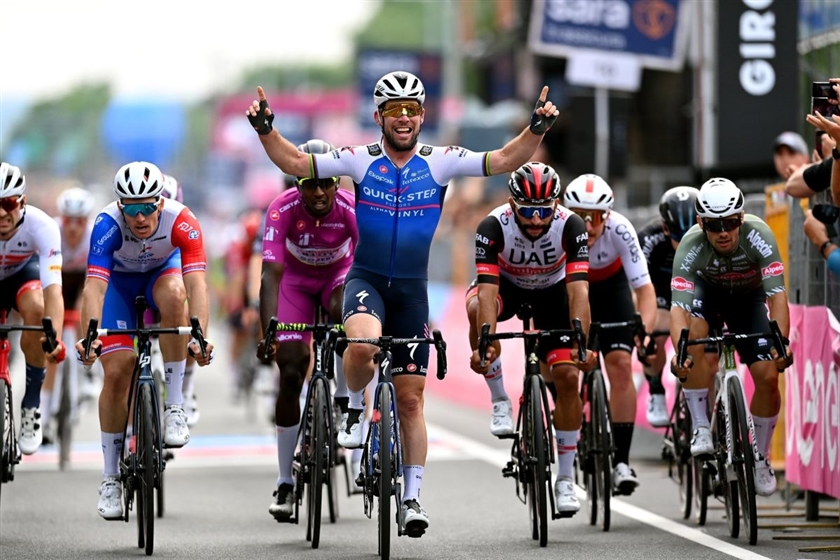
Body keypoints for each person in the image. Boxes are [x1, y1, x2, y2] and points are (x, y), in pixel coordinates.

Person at [246, 71, 560, 536]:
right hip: (367, 280)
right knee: (361, 346)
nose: (404, 118)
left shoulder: (442, 161)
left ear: (422, 115)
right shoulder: (356, 159)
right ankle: (353, 404)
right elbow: (294, 160)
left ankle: (411, 497)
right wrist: (265, 128)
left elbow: (504, 160)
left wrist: (536, 128)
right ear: (379, 117)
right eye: (395, 110)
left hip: (413, 290)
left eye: (412, 109)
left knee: (411, 402)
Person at [76, 161, 215, 519]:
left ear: (160, 201)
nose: (140, 217)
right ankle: (110, 478)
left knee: (174, 295)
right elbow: (94, 287)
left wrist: (200, 335)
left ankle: (175, 406)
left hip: (161, 277)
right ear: (120, 205)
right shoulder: (106, 225)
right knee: (118, 371)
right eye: (132, 208)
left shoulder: (182, 219)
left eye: (148, 207)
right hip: (119, 288)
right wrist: (89, 337)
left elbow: (197, 284)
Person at [466, 162, 596, 514]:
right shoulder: (493, 226)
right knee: (477, 307)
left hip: (553, 292)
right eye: (528, 211)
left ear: (555, 204)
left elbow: (580, 292)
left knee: (568, 377)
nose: (537, 220)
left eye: (544, 211)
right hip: (507, 287)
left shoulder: (572, 224)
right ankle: (500, 400)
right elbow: (489, 294)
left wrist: (580, 341)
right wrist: (486, 342)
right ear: (512, 205)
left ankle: (566, 478)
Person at [670, 177, 794, 497]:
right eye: (713, 225)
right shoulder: (690, 244)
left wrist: (782, 344)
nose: (723, 232)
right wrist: (679, 353)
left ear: (740, 218)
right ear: (701, 223)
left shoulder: (759, 235)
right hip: (706, 295)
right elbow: (678, 310)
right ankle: (700, 425)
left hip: (748, 300)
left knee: (768, 377)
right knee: (692, 337)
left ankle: (761, 456)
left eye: (729, 222)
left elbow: (777, 296)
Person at [255, 139, 359, 521]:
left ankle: (346, 398)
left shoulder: (351, 207)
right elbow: (270, 275)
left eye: (325, 183)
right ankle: (285, 481)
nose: (318, 192)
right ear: (295, 185)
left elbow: (367, 269)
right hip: (294, 285)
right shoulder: (281, 210)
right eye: (308, 184)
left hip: (339, 277)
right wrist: (268, 330)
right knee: (291, 371)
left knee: (347, 315)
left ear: (336, 183)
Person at [562, 173, 657, 495]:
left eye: (596, 218)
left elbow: (644, 290)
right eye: (580, 217)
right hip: (571, 294)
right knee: (566, 367)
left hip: (611, 291)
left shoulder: (620, 229)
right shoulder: (555, 228)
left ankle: (621, 461)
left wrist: (643, 330)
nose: (588, 226)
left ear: (608, 215)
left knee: (618, 364)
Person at [0, 162, 67, 455]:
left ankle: (31, 405)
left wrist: (55, 338)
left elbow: (53, 288)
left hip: (21, 276)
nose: (1, 212)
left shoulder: (42, 226)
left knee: (38, 310)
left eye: (8, 203)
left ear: (22, 202)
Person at [636, 186, 699, 427]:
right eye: (677, 238)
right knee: (656, 332)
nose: (684, 243)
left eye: (690, 235)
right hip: (660, 290)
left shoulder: (710, 235)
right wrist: (644, 329)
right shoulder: (649, 239)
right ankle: (656, 390)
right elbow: (640, 288)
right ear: (665, 229)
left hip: (695, 289)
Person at [41, 186, 97, 443]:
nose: (73, 228)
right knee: (52, 345)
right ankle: (44, 416)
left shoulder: (94, 237)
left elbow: (96, 284)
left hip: (82, 282)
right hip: (57, 281)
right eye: (68, 221)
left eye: (80, 221)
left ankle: (89, 373)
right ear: (61, 219)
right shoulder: (51, 231)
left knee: (93, 305)